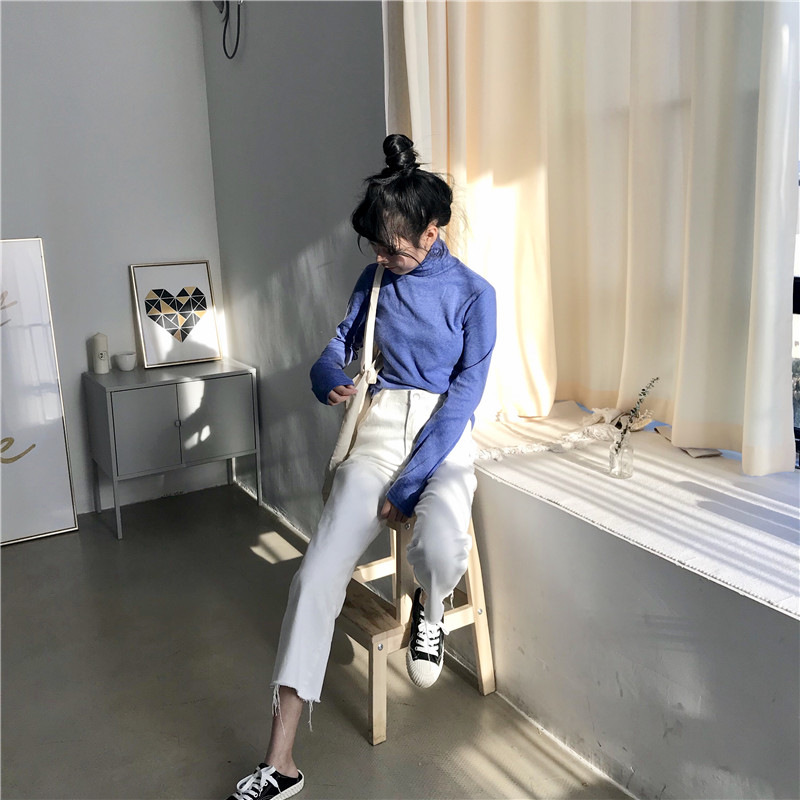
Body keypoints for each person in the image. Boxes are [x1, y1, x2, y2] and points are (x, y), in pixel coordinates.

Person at [225, 134, 497, 800]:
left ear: (434, 231)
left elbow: (465, 396)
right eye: (375, 245)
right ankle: (280, 764)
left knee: (441, 541)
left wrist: (410, 483)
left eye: (393, 247)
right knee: (314, 577)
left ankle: (431, 603)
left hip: (443, 434)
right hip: (377, 429)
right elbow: (334, 350)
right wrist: (328, 380)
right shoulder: (374, 280)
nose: (382, 257)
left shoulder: (474, 294)